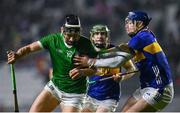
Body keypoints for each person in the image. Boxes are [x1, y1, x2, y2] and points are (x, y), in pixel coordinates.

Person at [73, 11, 174, 112]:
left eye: (130, 23)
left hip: (159, 88)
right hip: (147, 87)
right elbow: (120, 49)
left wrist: (91, 61)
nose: (126, 26)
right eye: (126, 23)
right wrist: (98, 55)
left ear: (139, 24)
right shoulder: (142, 36)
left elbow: (118, 61)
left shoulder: (142, 37)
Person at [7, 14, 97, 112]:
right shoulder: (53, 40)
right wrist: (17, 55)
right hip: (55, 88)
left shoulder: (87, 45)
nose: (72, 39)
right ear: (62, 30)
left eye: (75, 36)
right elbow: (29, 48)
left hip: (75, 95)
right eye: (69, 36)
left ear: (80, 32)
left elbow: (95, 69)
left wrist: (83, 72)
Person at [79, 25, 136, 112]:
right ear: (92, 37)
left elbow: (131, 69)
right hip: (90, 96)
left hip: (109, 98)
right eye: (97, 34)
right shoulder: (87, 53)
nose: (100, 36)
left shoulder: (117, 52)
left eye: (103, 34)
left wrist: (122, 78)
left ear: (107, 36)